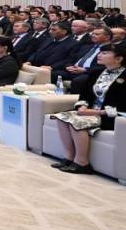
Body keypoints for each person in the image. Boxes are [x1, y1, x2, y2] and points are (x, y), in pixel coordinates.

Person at [49, 43, 126, 174]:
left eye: (104, 53)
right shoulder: (97, 72)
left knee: (77, 122)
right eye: (100, 52)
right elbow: (85, 94)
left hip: (112, 116)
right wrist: (83, 106)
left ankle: (82, 162)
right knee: (61, 117)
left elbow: (123, 106)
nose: (99, 55)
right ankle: (68, 157)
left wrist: (97, 112)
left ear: (119, 59)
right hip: (90, 112)